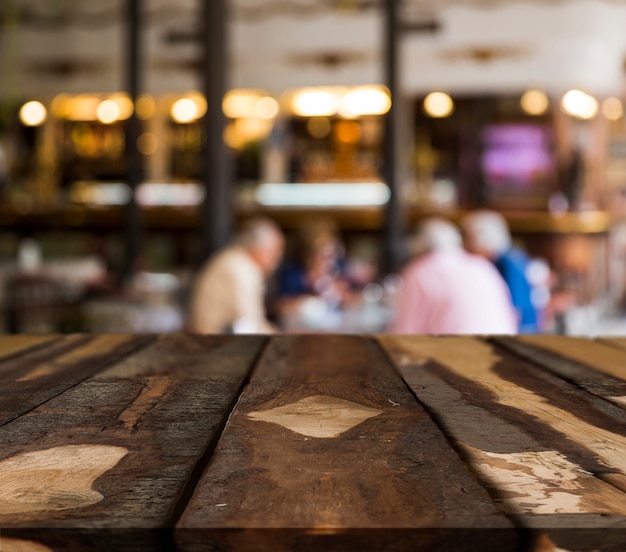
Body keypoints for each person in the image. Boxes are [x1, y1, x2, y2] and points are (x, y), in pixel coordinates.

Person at [387, 217, 517, 335]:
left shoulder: (421, 271)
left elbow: (406, 330)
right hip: (502, 349)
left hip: (457, 353)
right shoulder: (482, 266)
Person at [187, 217, 284, 333]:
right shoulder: (241, 269)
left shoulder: (235, 260)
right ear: (259, 249)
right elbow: (251, 322)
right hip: (214, 341)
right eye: (274, 251)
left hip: (217, 339)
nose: (278, 258)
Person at [461, 210, 540, 333]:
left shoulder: (507, 263)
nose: (465, 248)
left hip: (521, 330)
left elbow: (515, 309)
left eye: (468, 241)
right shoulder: (509, 257)